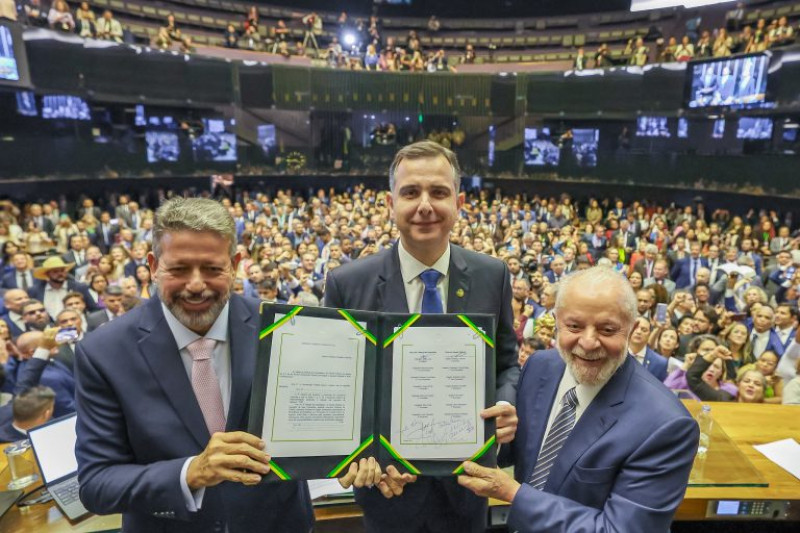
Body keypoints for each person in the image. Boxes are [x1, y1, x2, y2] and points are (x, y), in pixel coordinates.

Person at [75, 197, 314, 531]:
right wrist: (191, 472)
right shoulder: (104, 353)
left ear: (235, 264)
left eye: (213, 269)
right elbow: (97, 483)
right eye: (179, 269)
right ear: (153, 265)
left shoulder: (284, 329)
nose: (197, 284)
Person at [323, 141, 518, 533]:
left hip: (467, 489)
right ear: (390, 203)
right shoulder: (348, 283)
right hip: (387, 492)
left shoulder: (491, 275)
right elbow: (337, 388)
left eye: (439, 192)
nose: (425, 205)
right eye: (411, 192)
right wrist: (363, 460)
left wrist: (504, 403)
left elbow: (507, 363)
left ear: (458, 202)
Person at [457, 267, 698, 532]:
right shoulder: (540, 367)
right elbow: (522, 452)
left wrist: (515, 495)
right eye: (574, 326)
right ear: (556, 320)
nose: (589, 342)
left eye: (607, 330)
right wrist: (493, 434)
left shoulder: (666, 425)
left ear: (632, 329)